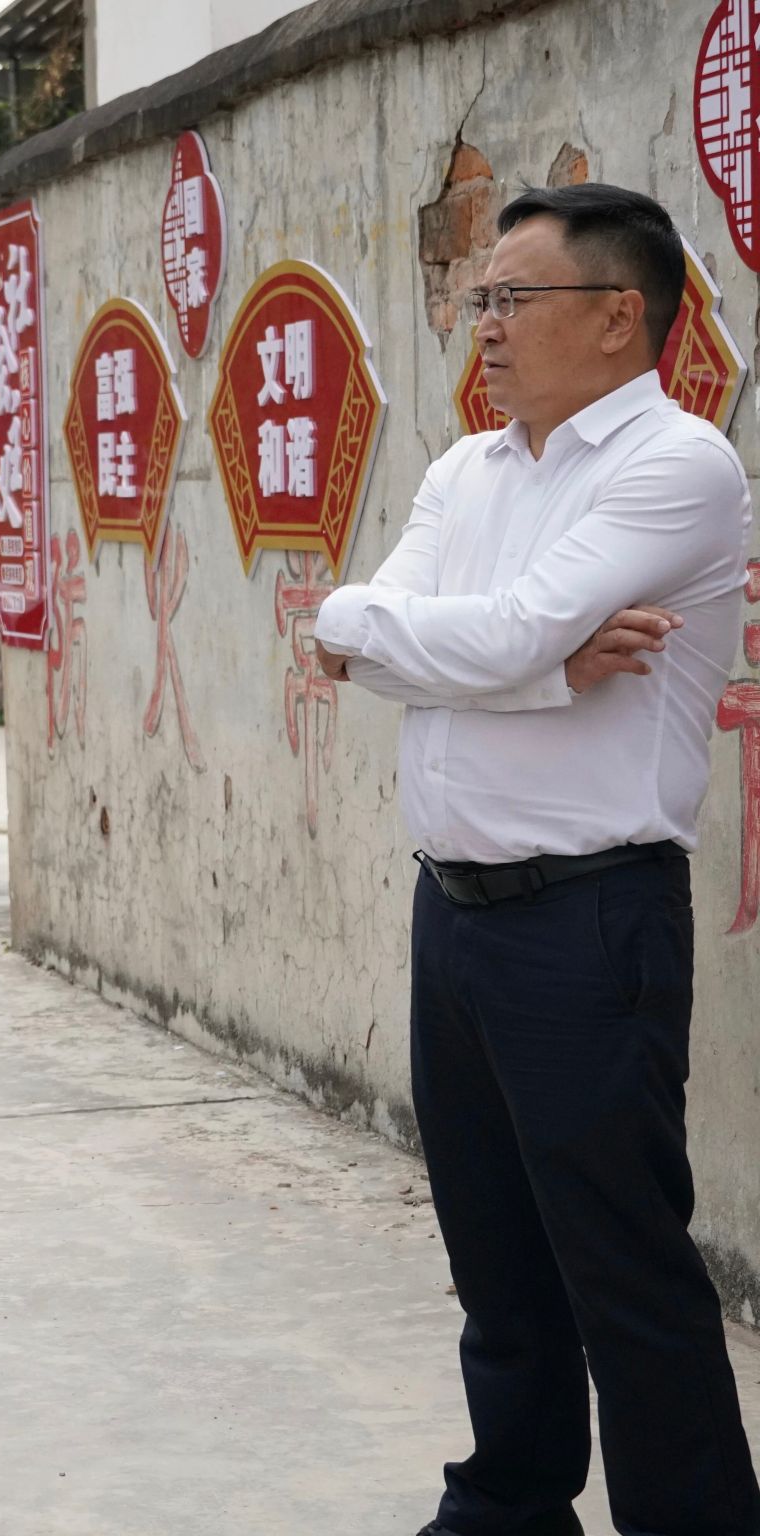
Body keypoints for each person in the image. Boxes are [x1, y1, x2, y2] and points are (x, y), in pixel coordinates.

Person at [314, 183, 760, 1536]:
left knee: (619, 1266)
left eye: (512, 297)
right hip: (452, 912)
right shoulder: (467, 470)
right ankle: (507, 1505)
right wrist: (543, 671)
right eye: (480, 297)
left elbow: (467, 632)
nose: (484, 322)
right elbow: (350, 630)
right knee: (495, 1261)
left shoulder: (675, 465)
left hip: (589, 918)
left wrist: (466, 648)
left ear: (618, 315)